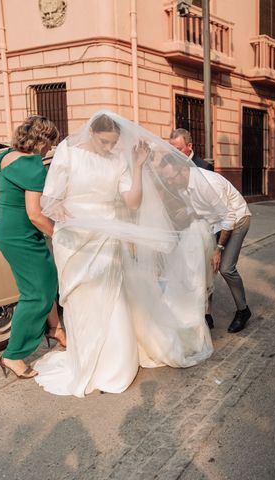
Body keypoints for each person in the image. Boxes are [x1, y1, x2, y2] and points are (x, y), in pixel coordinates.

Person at [34, 111, 220, 397]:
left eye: (113, 143)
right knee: (81, 302)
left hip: (107, 237)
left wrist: (136, 167)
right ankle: (85, 363)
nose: (109, 148)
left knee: (112, 299)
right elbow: (51, 198)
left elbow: (132, 203)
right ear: (92, 133)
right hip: (74, 238)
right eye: (105, 142)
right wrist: (59, 210)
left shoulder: (118, 161)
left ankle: (113, 366)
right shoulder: (67, 154)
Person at [0, 115, 64, 379]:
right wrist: (58, 233)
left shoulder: (7, 156)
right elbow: (35, 214)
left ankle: (55, 330)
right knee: (36, 295)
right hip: (21, 235)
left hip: (8, 231)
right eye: (50, 143)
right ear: (42, 140)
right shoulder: (33, 167)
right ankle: (13, 355)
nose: (49, 149)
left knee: (47, 279)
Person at [159, 157, 253, 333]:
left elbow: (229, 217)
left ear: (183, 170)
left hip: (238, 220)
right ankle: (207, 315)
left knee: (225, 268)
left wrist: (219, 250)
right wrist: (186, 211)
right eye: (168, 179)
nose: (170, 182)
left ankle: (243, 311)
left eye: (172, 178)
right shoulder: (181, 184)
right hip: (214, 222)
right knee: (206, 267)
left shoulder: (207, 183)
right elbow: (200, 208)